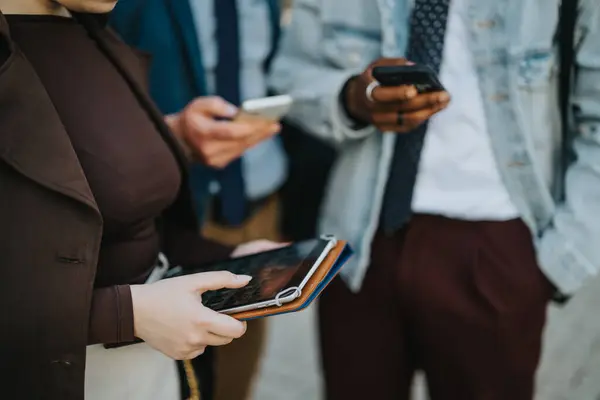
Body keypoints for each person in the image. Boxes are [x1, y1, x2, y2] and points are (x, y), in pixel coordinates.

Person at [270, 0, 600, 399]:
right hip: (360, 240)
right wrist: (351, 99)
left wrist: (559, 259)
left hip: (498, 248)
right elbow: (290, 74)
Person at [0, 1, 282, 399]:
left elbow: (126, 218)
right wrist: (127, 315)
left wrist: (228, 259)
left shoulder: (90, 28)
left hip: (150, 375)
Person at [109, 1, 285, 399]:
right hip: (175, 206)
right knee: (182, 367)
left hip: (263, 196)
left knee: (239, 363)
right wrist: (173, 133)